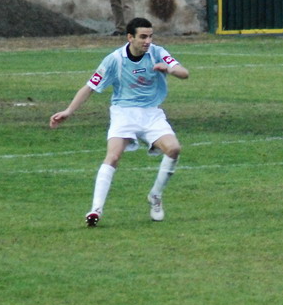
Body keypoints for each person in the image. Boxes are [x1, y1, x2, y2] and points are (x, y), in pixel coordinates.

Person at [49, 17, 189, 226]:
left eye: (150, 36)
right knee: (113, 156)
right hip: (124, 113)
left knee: (174, 149)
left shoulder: (158, 53)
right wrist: (68, 111)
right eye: (143, 37)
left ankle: (155, 195)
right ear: (130, 37)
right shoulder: (114, 60)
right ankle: (95, 210)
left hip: (151, 114)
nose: (148, 41)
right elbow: (90, 86)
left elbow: (184, 73)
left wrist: (168, 69)